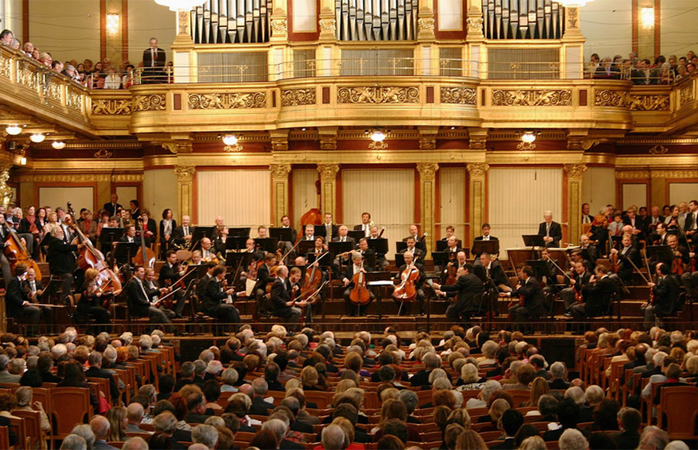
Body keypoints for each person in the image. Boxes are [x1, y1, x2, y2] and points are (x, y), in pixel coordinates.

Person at [47, 225, 85, 306]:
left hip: (68, 268)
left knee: (81, 273)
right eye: (60, 232)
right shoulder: (53, 242)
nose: (62, 234)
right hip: (59, 269)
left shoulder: (61, 241)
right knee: (68, 277)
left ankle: (77, 294)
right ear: (54, 234)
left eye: (62, 232)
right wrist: (79, 246)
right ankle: (64, 298)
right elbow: (65, 247)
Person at [5, 264, 41, 336]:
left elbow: (21, 294)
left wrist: (28, 295)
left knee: (36, 309)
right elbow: (11, 295)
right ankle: (31, 332)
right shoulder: (14, 281)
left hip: (19, 306)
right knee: (35, 311)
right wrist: (23, 302)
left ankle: (32, 331)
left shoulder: (19, 281)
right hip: (15, 308)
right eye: (26, 273)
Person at [643, 263, 680, 330]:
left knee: (648, 309)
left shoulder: (665, 281)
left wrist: (653, 286)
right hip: (673, 303)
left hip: (667, 305)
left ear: (660, 271)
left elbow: (661, 293)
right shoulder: (672, 278)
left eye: (657, 269)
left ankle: (647, 328)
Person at [78, 268, 114, 334]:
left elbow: (99, 294)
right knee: (104, 312)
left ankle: (98, 330)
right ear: (93, 276)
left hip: (92, 305)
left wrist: (109, 293)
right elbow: (89, 295)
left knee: (104, 313)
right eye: (97, 275)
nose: (98, 277)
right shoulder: (88, 284)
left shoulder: (94, 284)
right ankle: (98, 331)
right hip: (86, 306)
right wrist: (98, 295)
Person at [393, 251, 425, 316]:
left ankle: (422, 310)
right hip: (404, 285)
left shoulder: (419, 266)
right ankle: (403, 310)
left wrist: (417, 271)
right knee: (394, 295)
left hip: (416, 286)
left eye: (408, 258)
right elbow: (400, 279)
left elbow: (424, 278)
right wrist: (398, 286)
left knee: (421, 295)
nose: (406, 260)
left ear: (412, 258)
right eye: (405, 258)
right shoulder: (402, 267)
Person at [342, 252, 374, 316]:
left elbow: (371, 276)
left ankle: (362, 311)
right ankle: (352, 311)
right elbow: (342, 275)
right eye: (358, 260)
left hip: (364, 287)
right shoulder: (349, 268)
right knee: (346, 294)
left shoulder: (366, 267)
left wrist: (365, 272)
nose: (360, 262)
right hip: (352, 287)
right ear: (353, 260)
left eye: (361, 260)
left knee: (371, 296)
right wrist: (345, 279)